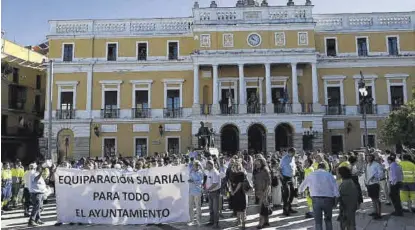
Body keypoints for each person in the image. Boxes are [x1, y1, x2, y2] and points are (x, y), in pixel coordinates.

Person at [299, 163, 339, 230]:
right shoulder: (329, 175)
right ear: (325, 168)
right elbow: (335, 188)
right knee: (328, 220)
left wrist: (300, 191)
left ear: (317, 168)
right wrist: (336, 200)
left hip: (316, 199)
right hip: (328, 199)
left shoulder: (311, 175)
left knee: (318, 222)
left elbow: (302, 186)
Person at [253, 157, 271, 229]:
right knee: (264, 206)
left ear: (261, 162)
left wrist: (265, 192)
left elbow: (268, 182)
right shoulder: (256, 170)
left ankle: (261, 223)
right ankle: (266, 222)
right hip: (258, 191)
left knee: (262, 207)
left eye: (258, 162)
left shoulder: (265, 170)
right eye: (256, 163)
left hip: (264, 191)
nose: (257, 164)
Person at [229, 161, 247, 229]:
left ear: (240, 166)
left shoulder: (241, 173)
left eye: (238, 165)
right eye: (235, 165)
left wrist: (234, 191)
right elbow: (230, 183)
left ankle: (243, 224)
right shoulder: (232, 173)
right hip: (234, 193)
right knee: (237, 208)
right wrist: (232, 191)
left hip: (240, 193)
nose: (236, 166)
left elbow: (240, 184)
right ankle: (238, 220)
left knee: (242, 208)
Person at [279, 147, 297, 216]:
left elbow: (293, 166)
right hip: (285, 177)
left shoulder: (293, 158)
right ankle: (285, 209)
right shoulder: (284, 159)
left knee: (292, 193)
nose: (294, 154)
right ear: (289, 152)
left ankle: (289, 207)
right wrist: (282, 177)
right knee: (286, 194)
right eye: (293, 153)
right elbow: (280, 168)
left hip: (291, 177)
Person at [365, 153, 383, 219]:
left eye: (369, 157)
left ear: (372, 158)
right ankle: (375, 211)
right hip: (369, 184)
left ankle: (379, 213)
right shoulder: (367, 165)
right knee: (372, 198)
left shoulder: (376, 165)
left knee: (376, 199)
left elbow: (381, 174)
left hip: (375, 183)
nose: (368, 159)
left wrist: (375, 177)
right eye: (367, 157)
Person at [204, 160, 221, 229]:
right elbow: (208, 181)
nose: (206, 166)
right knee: (211, 208)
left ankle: (216, 223)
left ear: (211, 165)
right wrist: (205, 187)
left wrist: (208, 189)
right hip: (210, 192)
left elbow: (215, 183)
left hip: (215, 192)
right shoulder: (210, 172)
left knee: (215, 209)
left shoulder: (215, 172)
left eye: (207, 165)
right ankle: (211, 221)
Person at [188, 160, 203, 226]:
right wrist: (190, 180)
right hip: (191, 191)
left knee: (198, 206)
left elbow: (200, 182)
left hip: (197, 191)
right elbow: (189, 179)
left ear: (199, 166)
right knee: (190, 206)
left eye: (197, 165)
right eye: (194, 165)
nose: (195, 167)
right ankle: (191, 220)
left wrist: (193, 181)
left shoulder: (200, 172)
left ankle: (198, 220)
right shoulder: (190, 171)